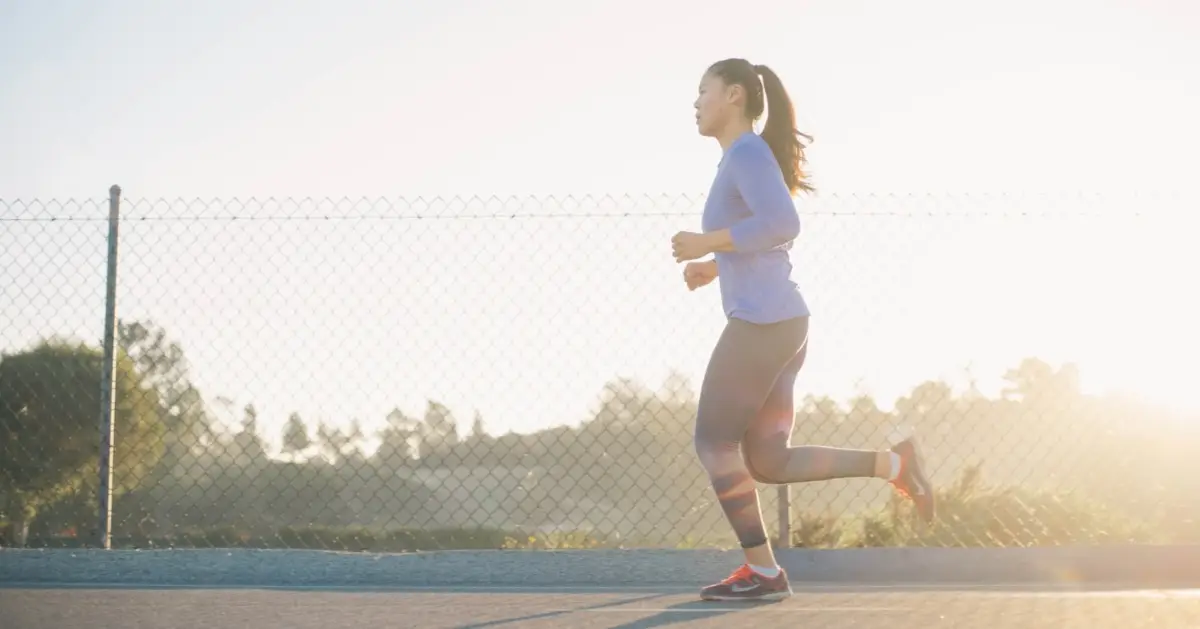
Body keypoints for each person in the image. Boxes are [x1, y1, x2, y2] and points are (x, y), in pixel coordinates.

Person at [670, 58, 936, 602]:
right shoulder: (738, 159)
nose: (695, 102)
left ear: (736, 96)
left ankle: (764, 573)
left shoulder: (745, 152)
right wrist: (715, 266)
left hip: (764, 324)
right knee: (768, 460)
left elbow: (783, 224)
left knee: (713, 441)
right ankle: (896, 464)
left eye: (704, 91)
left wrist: (708, 242)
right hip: (782, 322)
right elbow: (766, 237)